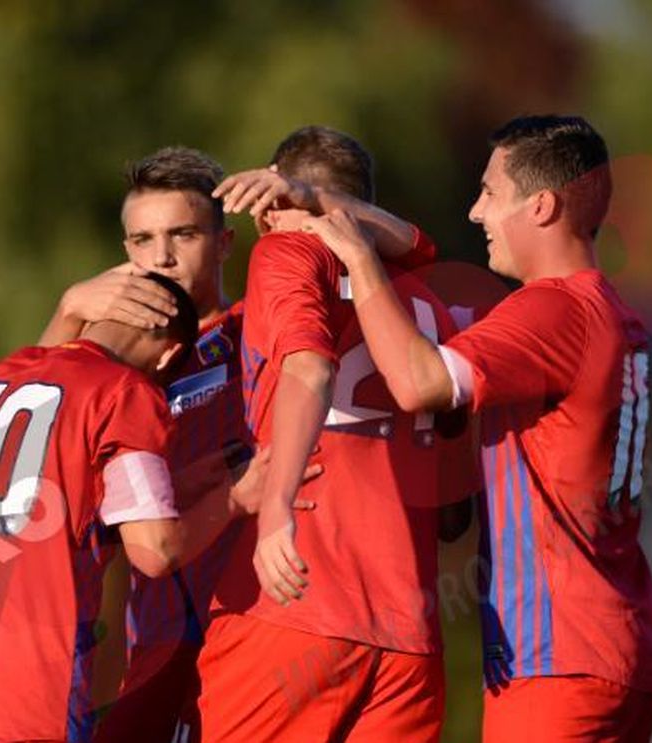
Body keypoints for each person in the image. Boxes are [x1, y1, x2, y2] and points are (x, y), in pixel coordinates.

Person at [41, 144, 436, 742]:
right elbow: (30, 422)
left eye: (183, 235)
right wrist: (69, 309)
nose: (162, 257)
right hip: (159, 638)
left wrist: (317, 200)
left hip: (262, 620)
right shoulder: (112, 364)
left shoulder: (264, 324)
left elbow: (416, 247)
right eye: (142, 240)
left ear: (225, 242)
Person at [304, 115, 652, 742]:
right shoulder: (606, 308)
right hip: (615, 636)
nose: (476, 212)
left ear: (542, 206)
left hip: (559, 654)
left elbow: (419, 381)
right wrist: (326, 200)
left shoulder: (552, 307)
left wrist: (360, 262)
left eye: (491, 193)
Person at [0, 273, 278, 743]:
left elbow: (73, 508)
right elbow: (156, 549)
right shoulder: (124, 392)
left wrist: (191, 482)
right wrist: (236, 498)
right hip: (32, 699)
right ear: (167, 356)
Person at [192, 125, 470, 743]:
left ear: (270, 197)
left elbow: (310, 368)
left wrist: (276, 509)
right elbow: (455, 513)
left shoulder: (286, 252)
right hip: (407, 637)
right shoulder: (430, 300)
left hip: (295, 605)